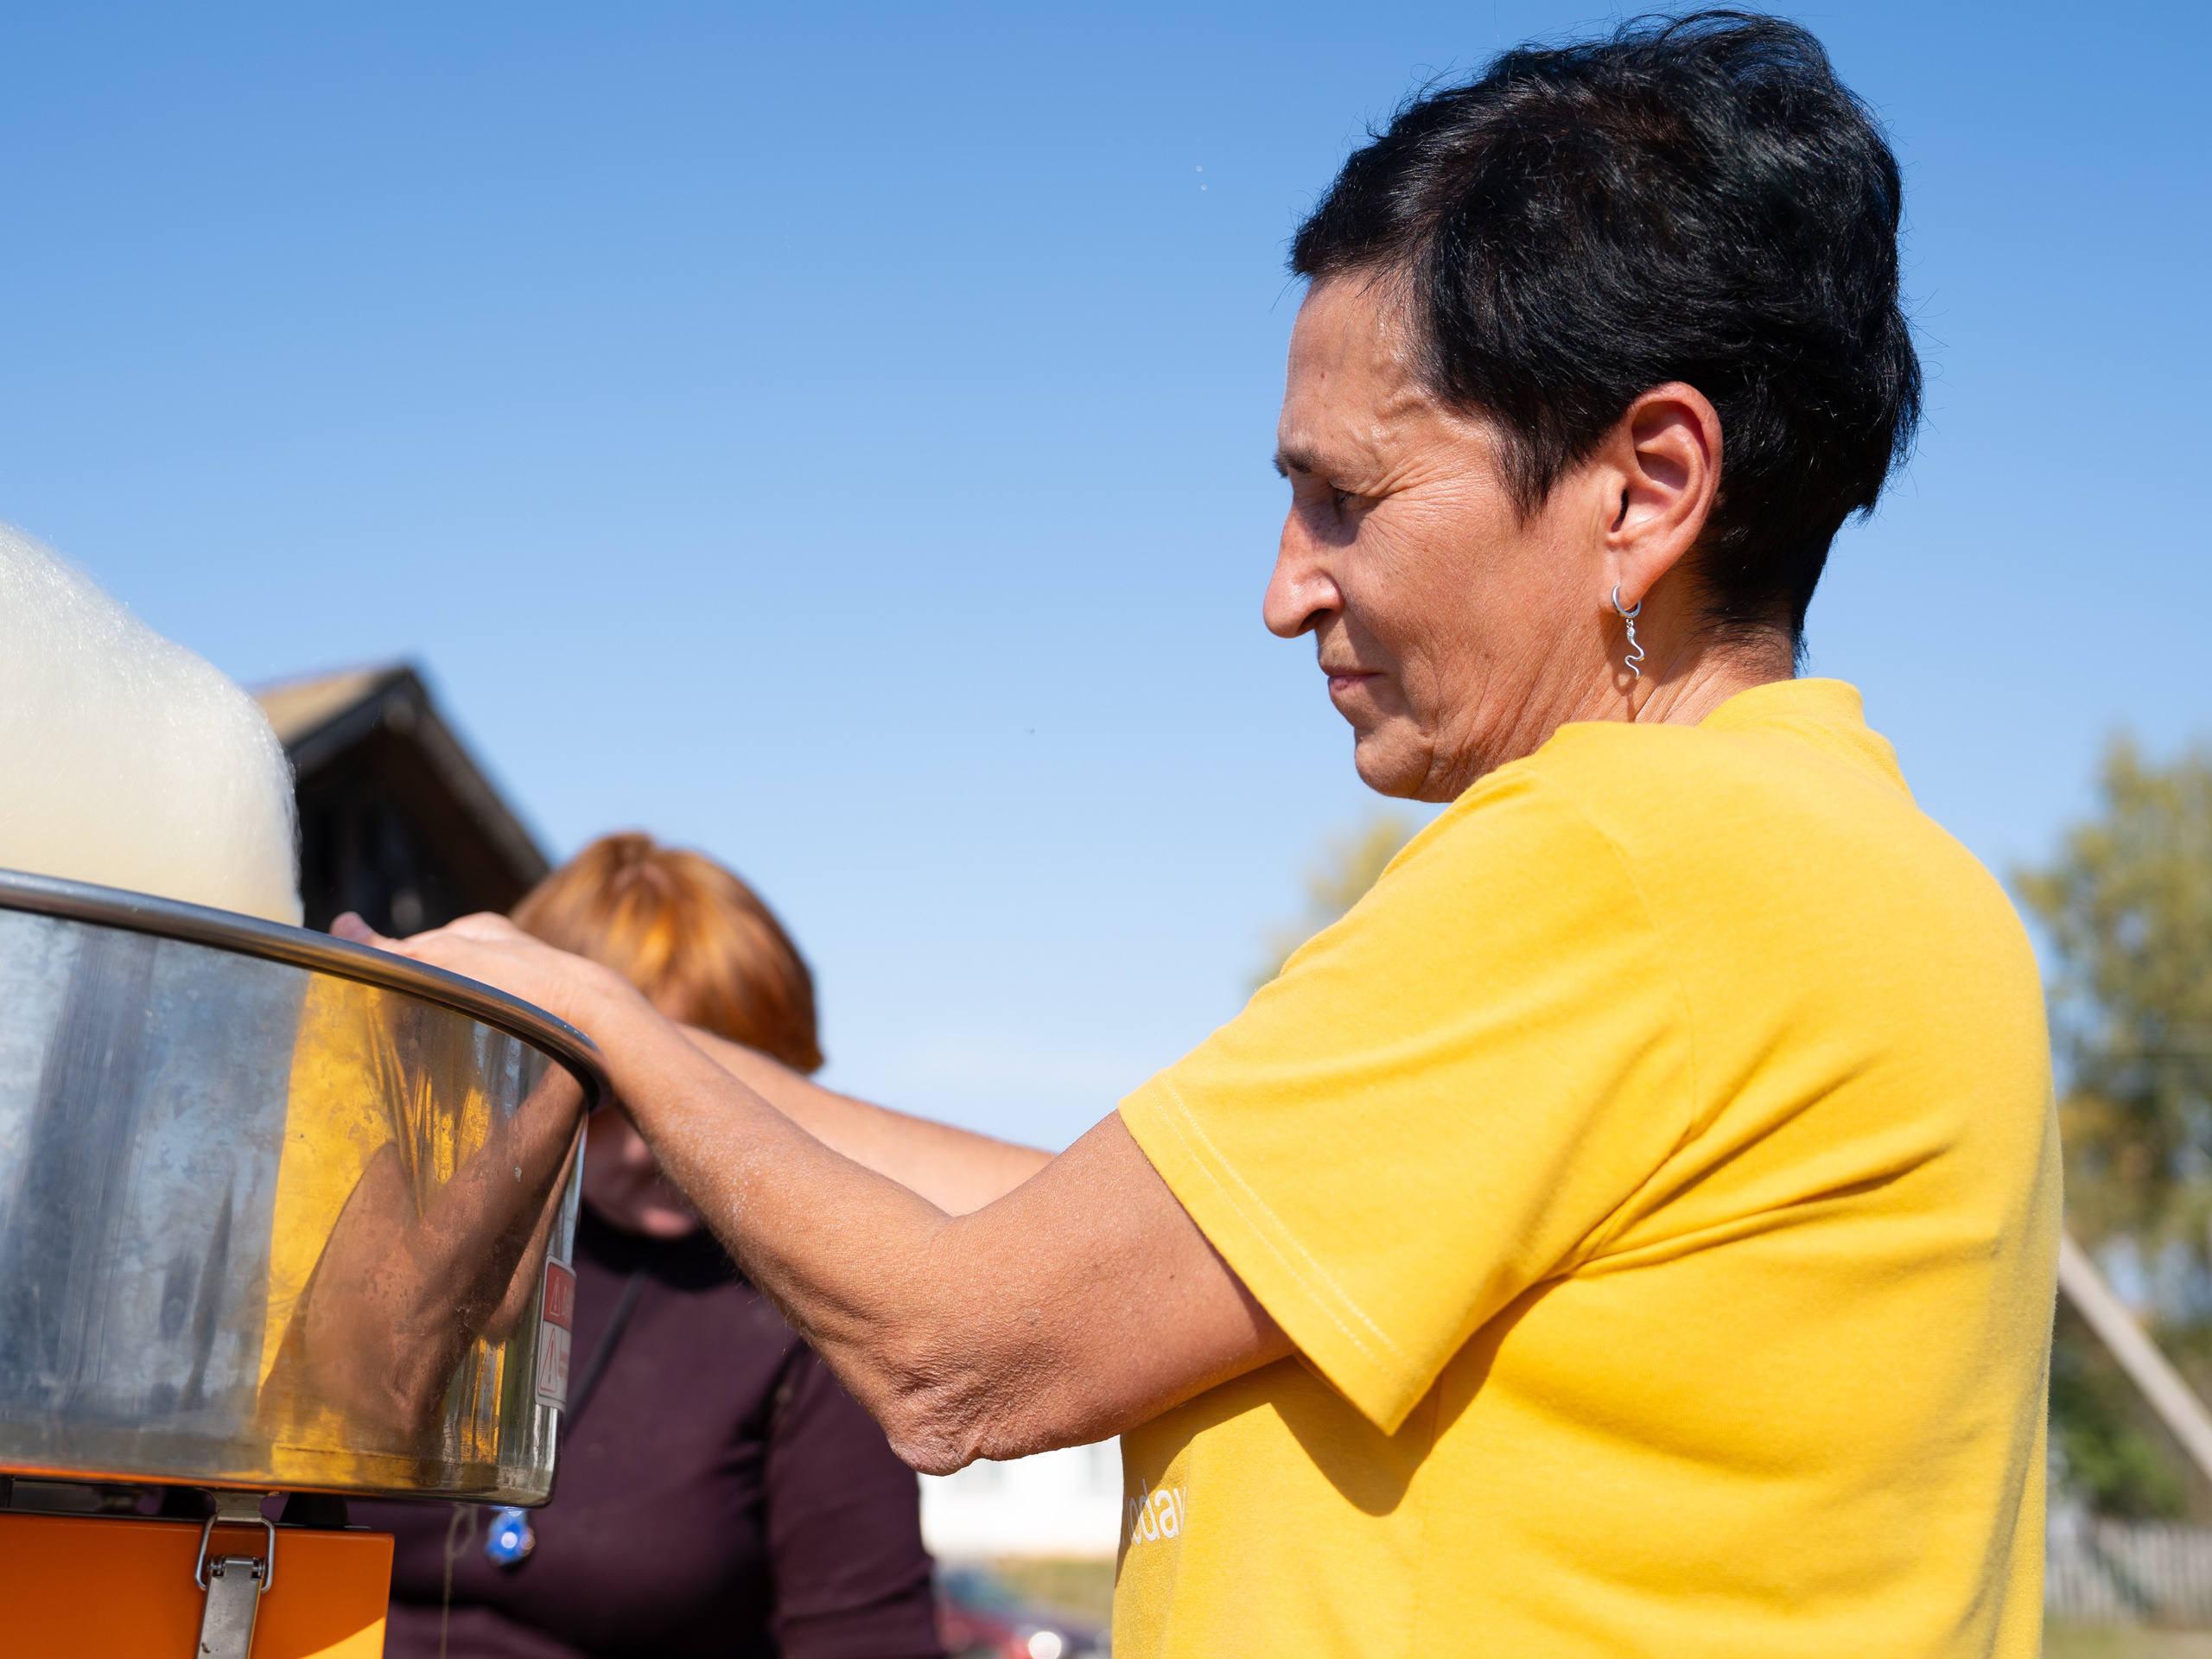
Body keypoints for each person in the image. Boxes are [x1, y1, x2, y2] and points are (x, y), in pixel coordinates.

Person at [345, 15, 2060, 1656]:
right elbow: (1087, 1256)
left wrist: (596, 1020)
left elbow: (966, 1356)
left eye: (1347, 497)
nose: (1282, 587)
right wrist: (665, 1079)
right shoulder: (1861, 878)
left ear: (1644, 483)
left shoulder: (1617, 864)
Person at [353, 834, 944, 1659]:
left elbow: (872, 1642)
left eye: (707, 1098)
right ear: (515, 1063)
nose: (654, 1150)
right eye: (610, 1098)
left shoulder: (806, 1323)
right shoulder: (390, 1240)